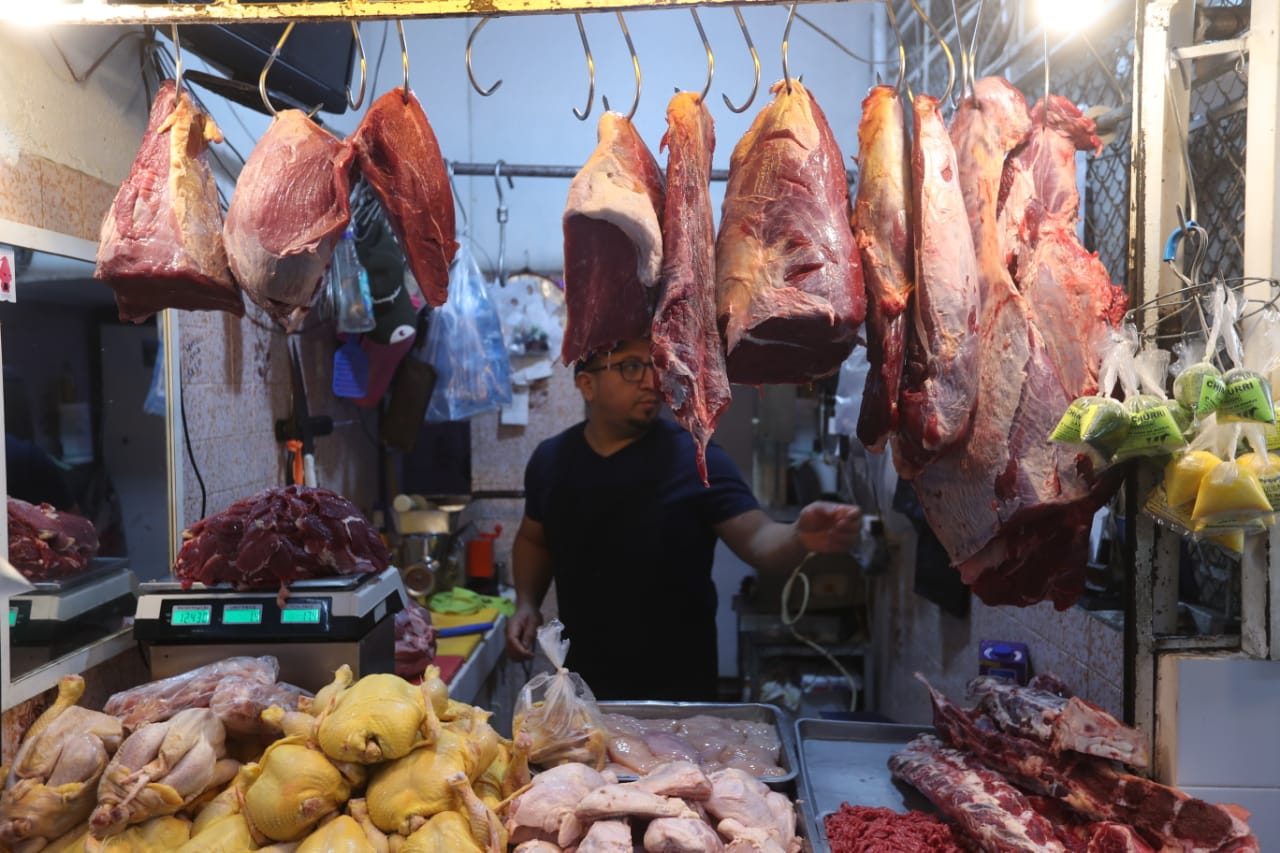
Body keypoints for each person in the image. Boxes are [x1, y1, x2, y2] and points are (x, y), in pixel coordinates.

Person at [504, 336, 862, 702]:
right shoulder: (551, 460)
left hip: (678, 690)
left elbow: (757, 538)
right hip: (585, 685)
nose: (652, 381)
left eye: (656, 366)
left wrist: (799, 535)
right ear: (587, 384)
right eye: (631, 367)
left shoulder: (694, 458)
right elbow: (534, 538)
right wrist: (527, 602)